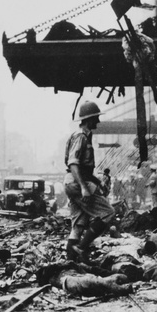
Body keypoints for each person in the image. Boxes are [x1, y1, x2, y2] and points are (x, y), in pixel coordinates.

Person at [64, 101, 116, 263]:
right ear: (89, 119)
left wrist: (96, 181)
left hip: (75, 182)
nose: (98, 122)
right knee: (108, 213)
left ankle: (71, 262)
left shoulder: (84, 136)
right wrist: (84, 188)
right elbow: (73, 164)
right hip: (77, 182)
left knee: (79, 223)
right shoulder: (80, 137)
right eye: (96, 118)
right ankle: (81, 248)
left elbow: (85, 169)